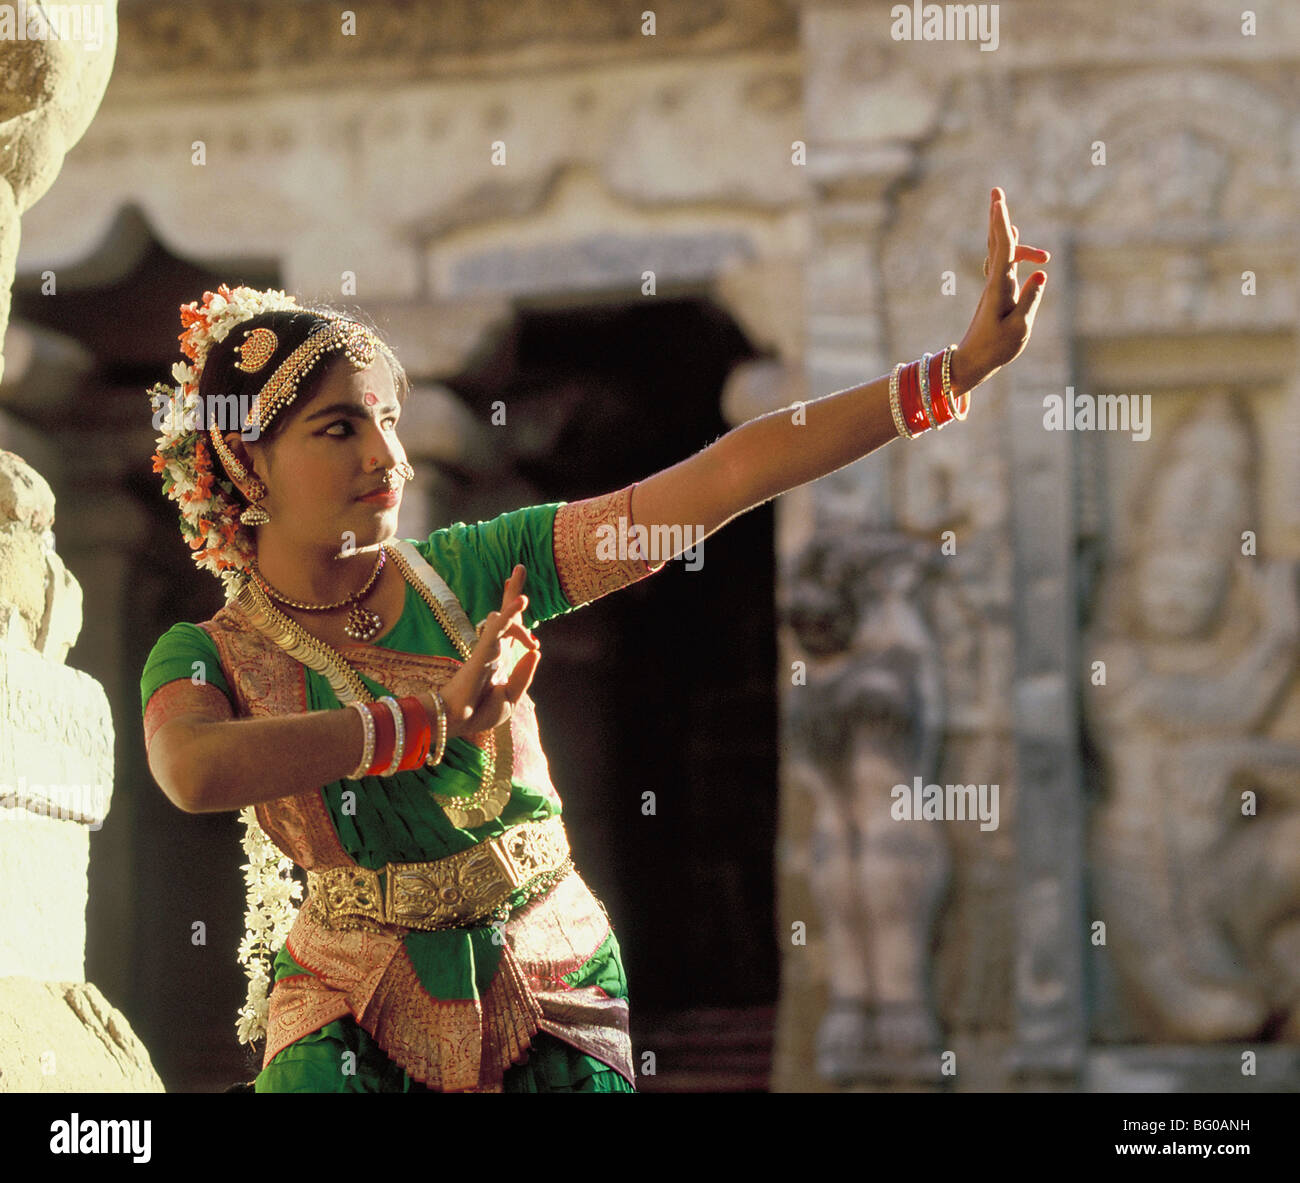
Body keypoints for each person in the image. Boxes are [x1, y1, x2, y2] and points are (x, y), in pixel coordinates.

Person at [140, 188, 1049, 1093]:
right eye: (339, 428)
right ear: (247, 461)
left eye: (387, 421)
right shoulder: (208, 654)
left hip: (544, 964)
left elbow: (726, 473)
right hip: (349, 992)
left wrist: (947, 377)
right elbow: (192, 768)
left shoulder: (479, 568)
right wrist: (426, 722)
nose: (387, 457)